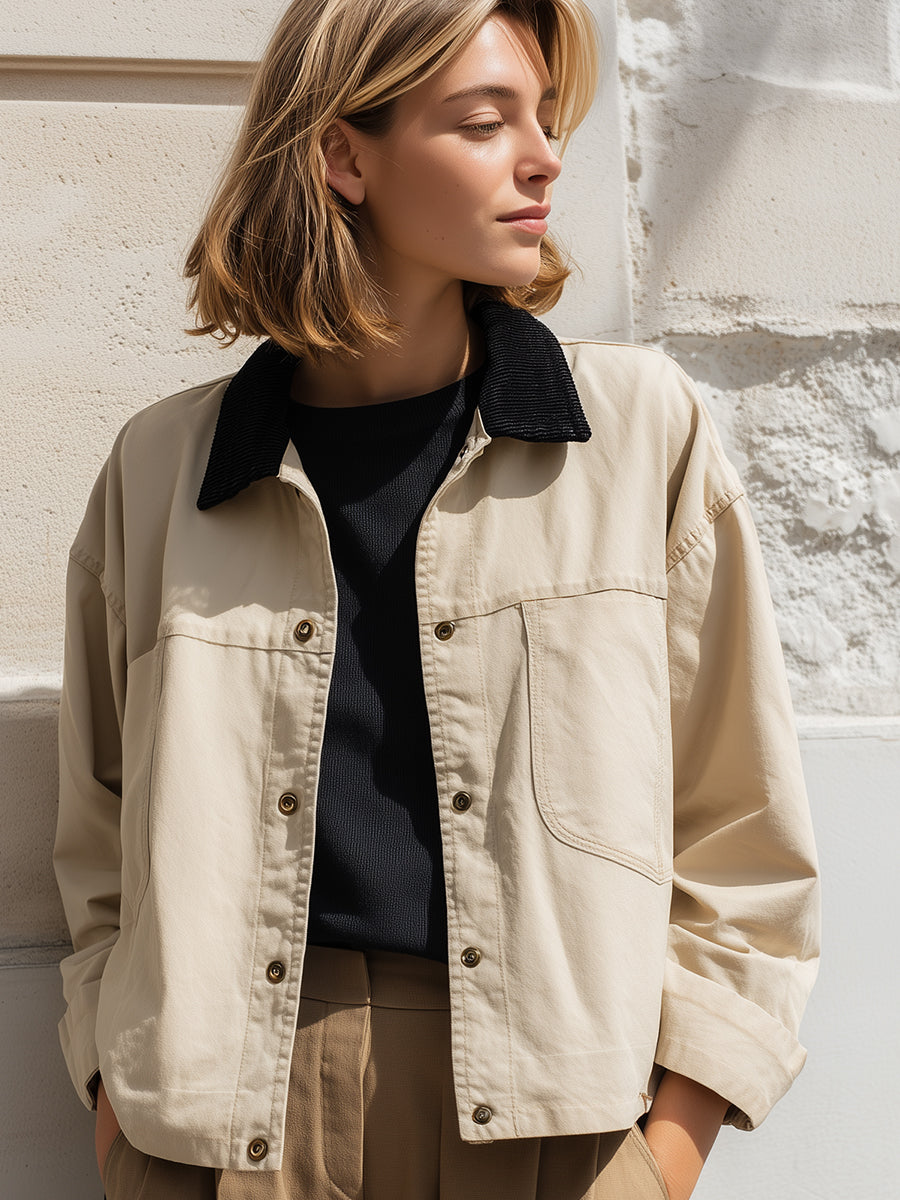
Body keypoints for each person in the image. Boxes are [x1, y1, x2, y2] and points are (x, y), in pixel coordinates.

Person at [53, 1, 820, 1198]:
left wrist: (660, 1160)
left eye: (545, 117)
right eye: (483, 121)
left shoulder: (637, 438)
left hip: (554, 1128)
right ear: (342, 156)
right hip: (226, 1128)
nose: (544, 155)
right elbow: (98, 846)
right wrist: (116, 1112)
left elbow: (742, 831)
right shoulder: (161, 472)